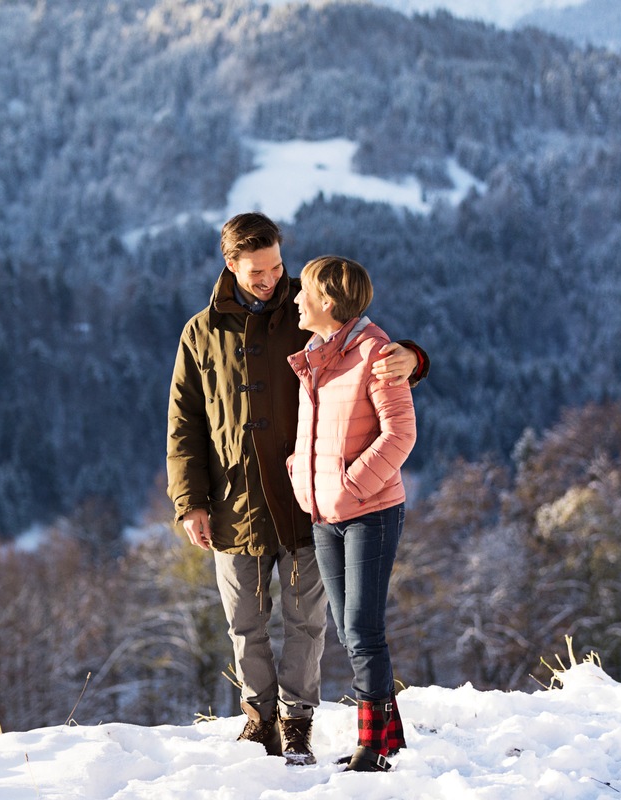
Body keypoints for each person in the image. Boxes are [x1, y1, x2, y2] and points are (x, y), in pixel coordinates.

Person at [166, 213, 428, 766]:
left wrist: (413, 355)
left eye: (277, 266)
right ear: (231, 266)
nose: (271, 279)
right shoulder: (201, 331)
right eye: (258, 270)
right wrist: (189, 500)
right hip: (233, 500)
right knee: (245, 623)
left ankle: (297, 722)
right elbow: (184, 422)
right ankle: (258, 720)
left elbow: (364, 341)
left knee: (309, 621)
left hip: (309, 502)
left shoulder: (305, 309)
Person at [286, 255, 417, 772]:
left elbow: (400, 433)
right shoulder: (316, 356)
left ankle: (373, 746)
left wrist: (350, 486)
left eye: (305, 292)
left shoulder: (376, 354)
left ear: (329, 301)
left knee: (362, 630)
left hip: (371, 511)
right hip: (324, 514)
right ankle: (388, 735)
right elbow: (312, 437)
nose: (296, 299)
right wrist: (303, 475)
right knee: (348, 629)